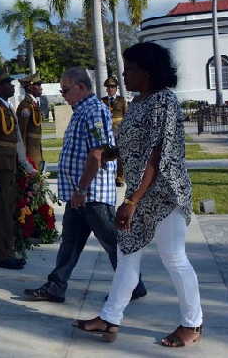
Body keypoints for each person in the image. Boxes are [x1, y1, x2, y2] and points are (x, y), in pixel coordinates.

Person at [73, 43, 202, 347]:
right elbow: (135, 147)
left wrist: (131, 202)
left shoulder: (164, 102)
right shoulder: (139, 102)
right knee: (127, 253)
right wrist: (109, 153)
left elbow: (157, 156)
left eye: (130, 69)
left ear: (148, 71)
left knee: (173, 257)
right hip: (140, 192)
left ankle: (192, 323)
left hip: (165, 194)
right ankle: (110, 317)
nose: (124, 74)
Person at [23, 67, 146, 303]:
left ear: (80, 87)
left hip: (91, 193)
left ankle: (133, 285)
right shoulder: (82, 110)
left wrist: (81, 189)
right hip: (79, 194)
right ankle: (56, 286)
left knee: (112, 242)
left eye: (66, 90)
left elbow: (97, 154)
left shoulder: (93, 111)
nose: (63, 95)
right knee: (70, 243)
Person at [0, 70, 36, 270]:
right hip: (0, 170)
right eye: (7, 84)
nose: (12, 86)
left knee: (9, 211)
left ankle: (8, 251)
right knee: (1, 213)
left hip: (10, 168)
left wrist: (23, 164)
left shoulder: (6, 109)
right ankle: (3, 256)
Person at [101, 76, 127, 186]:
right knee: (106, 153)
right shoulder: (102, 101)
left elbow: (126, 116)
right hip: (106, 131)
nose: (110, 89)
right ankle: (107, 176)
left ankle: (120, 178)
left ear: (116, 88)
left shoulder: (122, 100)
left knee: (120, 154)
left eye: (112, 87)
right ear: (106, 89)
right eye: (108, 87)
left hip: (119, 130)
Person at [17, 73, 44, 169]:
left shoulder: (33, 104)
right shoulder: (25, 106)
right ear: (30, 88)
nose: (41, 88)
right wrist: (23, 157)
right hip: (30, 153)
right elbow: (21, 132)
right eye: (38, 85)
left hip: (36, 150)